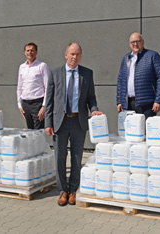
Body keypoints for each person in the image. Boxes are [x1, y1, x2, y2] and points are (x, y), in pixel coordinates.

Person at [44, 43, 103, 206]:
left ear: (80, 56)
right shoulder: (55, 73)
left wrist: (95, 109)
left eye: (77, 54)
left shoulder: (87, 74)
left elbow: (91, 97)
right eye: (71, 54)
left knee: (77, 157)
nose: (74, 57)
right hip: (59, 122)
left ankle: (72, 190)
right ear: (65, 54)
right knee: (60, 157)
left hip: (79, 121)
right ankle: (62, 190)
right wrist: (48, 123)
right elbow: (49, 101)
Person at [116, 32, 160, 118]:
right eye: (133, 42)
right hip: (128, 104)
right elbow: (120, 80)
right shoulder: (126, 59)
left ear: (143, 42)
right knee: (130, 131)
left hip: (147, 104)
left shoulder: (152, 56)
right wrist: (119, 101)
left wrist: (158, 101)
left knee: (145, 130)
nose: (135, 44)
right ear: (130, 44)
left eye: (138, 41)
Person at [17, 42, 50, 129]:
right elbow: (19, 87)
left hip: (37, 104)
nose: (30, 52)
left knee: (38, 133)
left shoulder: (42, 66)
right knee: (30, 132)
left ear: (36, 52)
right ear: (25, 52)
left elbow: (47, 87)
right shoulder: (22, 67)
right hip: (25, 104)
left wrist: (44, 106)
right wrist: (19, 105)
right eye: (28, 50)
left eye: (32, 50)